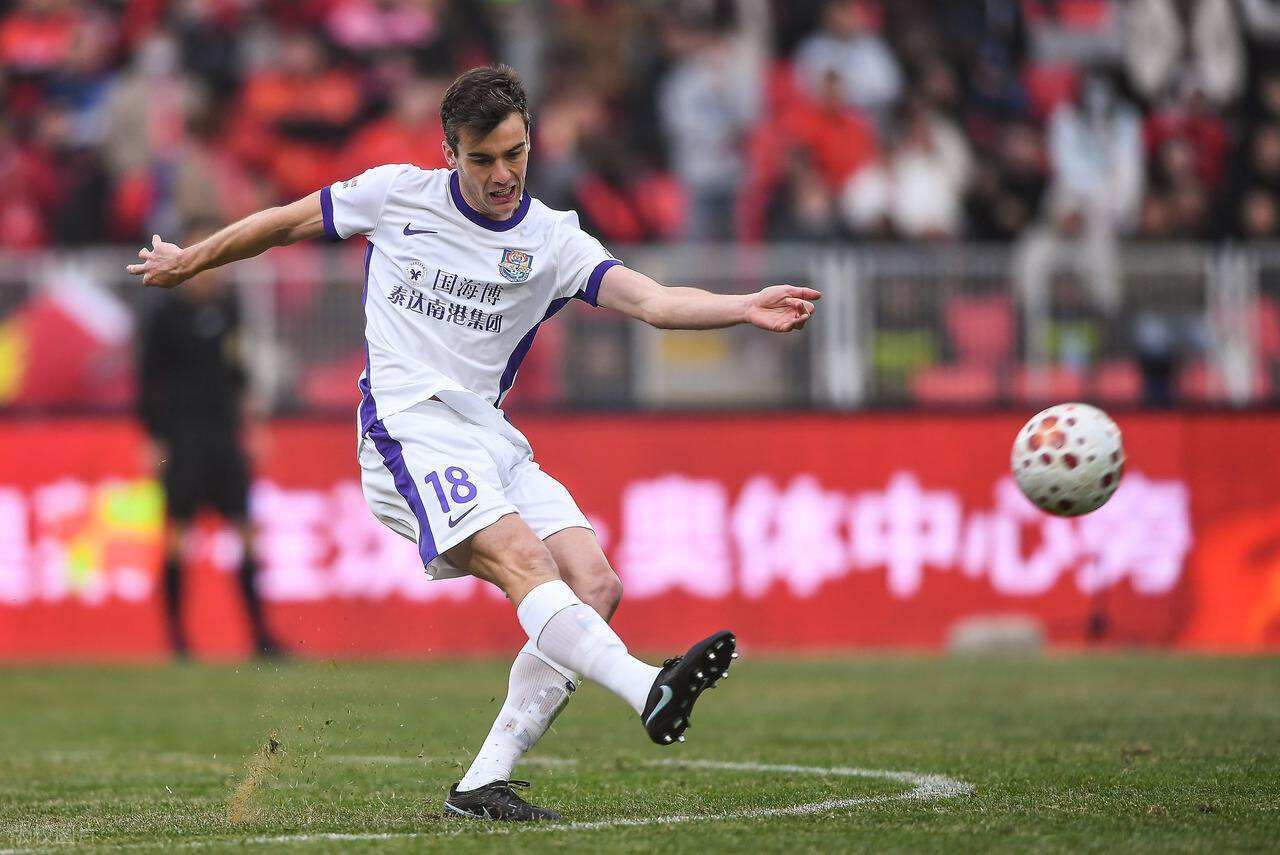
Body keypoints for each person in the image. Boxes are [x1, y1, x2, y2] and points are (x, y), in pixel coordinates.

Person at [127, 65, 819, 821]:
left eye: (514, 154)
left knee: (595, 585)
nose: (502, 175)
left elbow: (653, 301)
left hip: (488, 434)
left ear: (530, 142)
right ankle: (646, 685)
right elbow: (284, 223)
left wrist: (743, 306)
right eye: (482, 158)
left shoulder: (551, 238)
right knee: (526, 561)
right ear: (449, 152)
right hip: (406, 427)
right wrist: (191, 260)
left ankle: (482, 783)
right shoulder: (395, 196)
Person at [136, 221, 282, 660]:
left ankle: (261, 636)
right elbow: (146, 382)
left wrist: (252, 423)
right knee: (179, 534)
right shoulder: (164, 316)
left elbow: (238, 373)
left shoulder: (228, 310)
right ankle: (177, 640)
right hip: (182, 439)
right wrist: (153, 438)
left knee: (245, 530)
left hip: (223, 437)